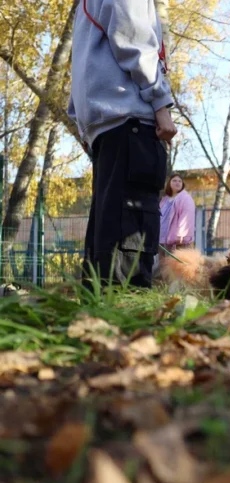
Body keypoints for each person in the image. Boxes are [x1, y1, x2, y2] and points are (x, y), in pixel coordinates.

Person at [68, 0, 177, 289]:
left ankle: (100, 317)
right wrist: (161, 103)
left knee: (106, 230)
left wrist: (83, 123)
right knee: (132, 228)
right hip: (132, 120)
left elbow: (79, 66)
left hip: (107, 125)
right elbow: (136, 41)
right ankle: (129, 320)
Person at [160, 174, 196, 253]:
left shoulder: (185, 198)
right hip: (162, 238)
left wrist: (181, 234)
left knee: (177, 263)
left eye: (180, 181)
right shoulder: (164, 199)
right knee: (162, 264)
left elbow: (187, 218)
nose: (177, 183)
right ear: (169, 183)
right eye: (174, 181)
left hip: (177, 240)